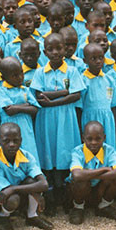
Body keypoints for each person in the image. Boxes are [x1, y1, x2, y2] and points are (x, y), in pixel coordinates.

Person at [30, 33, 85, 214]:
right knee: (49, 152)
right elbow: (38, 96)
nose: (55, 52)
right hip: (46, 120)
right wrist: (64, 92)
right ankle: (51, 196)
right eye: (51, 49)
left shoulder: (72, 71)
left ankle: (66, 194)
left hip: (65, 118)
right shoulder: (40, 72)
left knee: (65, 151)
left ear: (66, 49)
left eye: (59, 48)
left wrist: (53, 99)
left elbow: (76, 95)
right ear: (44, 52)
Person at [0, 123, 53, 230]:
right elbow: (3, 190)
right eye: (6, 141)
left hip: (16, 192)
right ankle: (2, 216)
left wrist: (15, 189)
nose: (11, 144)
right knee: (13, 198)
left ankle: (32, 216)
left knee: (31, 181)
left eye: (15, 141)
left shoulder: (26, 156)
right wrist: (33, 192)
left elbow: (43, 184)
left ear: (21, 140)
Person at [67, 121, 116, 224]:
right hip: (81, 191)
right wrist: (103, 170)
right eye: (89, 139)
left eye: (98, 139)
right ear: (83, 138)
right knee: (81, 180)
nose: (94, 142)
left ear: (104, 137)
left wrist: (89, 174)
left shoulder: (109, 150)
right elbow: (76, 175)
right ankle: (78, 207)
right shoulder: (78, 152)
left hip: (100, 190)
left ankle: (104, 206)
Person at [0, 57, 40, 160]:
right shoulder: (1, 91)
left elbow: (35, 109)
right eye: (15, 75)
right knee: (11, 155)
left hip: (26, 128)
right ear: (3, 78)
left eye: (21, 73)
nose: (20, 77)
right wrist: (26, 105)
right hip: (9, 129)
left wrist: (17, 107)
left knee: (29, 153)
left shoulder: (25, 89)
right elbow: (10, 111)